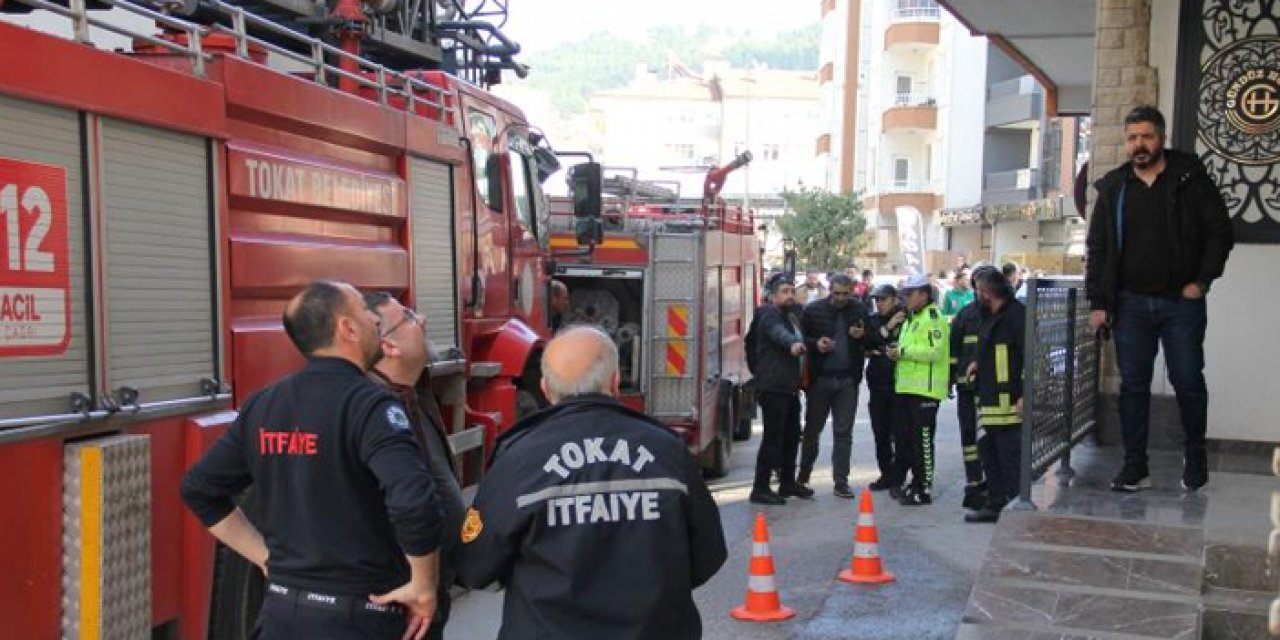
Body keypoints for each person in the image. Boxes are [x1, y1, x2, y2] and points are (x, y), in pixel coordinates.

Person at [180, 280, 443, 640]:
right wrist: (424, 586)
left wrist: (266, 558)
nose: (374, 321)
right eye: (365, 313)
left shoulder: (263, 404)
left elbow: (199, 489)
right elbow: (414, 502)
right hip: (359, 619)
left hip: (281, 618)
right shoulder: (371, 407)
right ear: (347, 328)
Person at [455, 326, 726, 639]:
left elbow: (475, 565)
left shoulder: (519, 459)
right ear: (615, 381)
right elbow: (708, 554)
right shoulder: (667, 450)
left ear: (545, 388)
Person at [1085, 105, 1234, 492]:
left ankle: (1195, 455)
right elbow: (1098, 248)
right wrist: (1099, 302)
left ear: (1162, 138)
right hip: (1130, 304)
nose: (1139, 144)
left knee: (1187, 380)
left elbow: (1220, 232)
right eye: (1132, 138)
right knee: (1133, 385)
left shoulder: (1189, 178)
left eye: (1147, 136)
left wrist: (1202, 281)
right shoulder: (1114, 188)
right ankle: (1135, 466)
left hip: (1180, 304)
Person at [364, 292, 465, 640]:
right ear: (388, 346)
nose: (422, 319)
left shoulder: (413, 392)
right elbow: (407, 503)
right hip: (398, 602)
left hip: (427, 595)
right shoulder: (373, 413)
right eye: (408, 317)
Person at [797, 274, 871, 498]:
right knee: (812, 431)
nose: (840, 298)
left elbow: (872, 339)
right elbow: (800, 338)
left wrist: (863, 335)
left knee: (843, 433)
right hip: (821, 379)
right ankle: (803, 477)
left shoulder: (859, 309)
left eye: (845, 294)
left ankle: (841, 482)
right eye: (836, 293)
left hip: (847, 380)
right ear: (829, 290)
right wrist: (816, 344)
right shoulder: (813, 310)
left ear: (852, 292)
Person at [965, 268, 1027, 523]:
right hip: (989, 400)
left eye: (978, 291)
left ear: (987, 292)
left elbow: (1030, 356)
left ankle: (1015, 506)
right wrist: (976, 363)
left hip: (1009, 404)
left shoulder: (1016, 315)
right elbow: (988, 348)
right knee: (989, 454)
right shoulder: (990, 316)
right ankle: (995, 503)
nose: (976, 296)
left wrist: (1024, 395)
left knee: (1009, 457)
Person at [886, 274, 950, 506]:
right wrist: (896, 350)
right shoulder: (912, 319)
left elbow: (935, 352)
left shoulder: (933, 318)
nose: (906, 298)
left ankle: (924, 488)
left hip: (925, 391)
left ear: (923, 294)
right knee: (906, 440)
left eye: (910, 294)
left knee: (922, 441)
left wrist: (902, 352)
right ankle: (914, 482)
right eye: (904, 294)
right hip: (907, 388)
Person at [746, 271, 809, 504]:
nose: (790, 295)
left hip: (789, 386)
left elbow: (799, 339)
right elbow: (778, 334)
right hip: (773, 387)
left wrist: (812, 344)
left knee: (791, 436)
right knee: (773, 438)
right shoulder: (769, 314)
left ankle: (787, 483)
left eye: (792, 291)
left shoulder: (789, 315)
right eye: (784, 292)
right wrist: (792, 344)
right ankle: (760, 488)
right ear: (773, 296)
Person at [863, 284, 908, 491]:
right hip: (878, 385)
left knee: (900, 434)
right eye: (877, 300)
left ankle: (899, 476)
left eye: (883, 299)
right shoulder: (873, 320)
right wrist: (887, 328)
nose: (879, 304)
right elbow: (868, 342)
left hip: (900, 385)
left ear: (895, 300)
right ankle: (886, 474)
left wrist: (882, 344)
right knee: (880, 433)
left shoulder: (907, 319)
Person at [949, 270, 988, 510]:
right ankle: (974, 480)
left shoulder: (999, 314)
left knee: (986, 434)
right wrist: (950, 379)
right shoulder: (965, 315)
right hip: (967, 386)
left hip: (990, 388)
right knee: (969, 435)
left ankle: (988, 480)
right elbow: (953, 351)